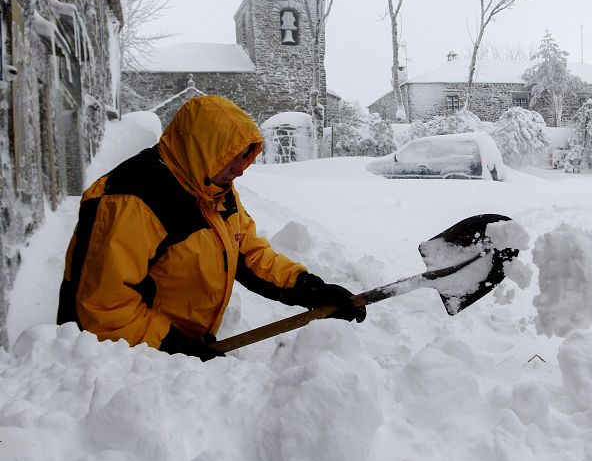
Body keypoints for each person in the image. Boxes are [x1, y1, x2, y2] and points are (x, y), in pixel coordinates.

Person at [57, 95, 364, 361]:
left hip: (174, 351)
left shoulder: (211, 187)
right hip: (122, 368)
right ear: (202, 151)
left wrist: (309, 289)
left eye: (245, 157)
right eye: (232, 158)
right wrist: (174, 346)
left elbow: (249, 252)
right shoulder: (131, 202)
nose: (240, 169)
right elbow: (103, 310)